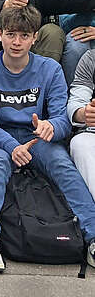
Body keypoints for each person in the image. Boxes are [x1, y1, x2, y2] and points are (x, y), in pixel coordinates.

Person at [0, 6, 95, 272]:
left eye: (24, 36)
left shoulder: (50, 69)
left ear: (35, 37)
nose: (17, 42)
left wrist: (51, 126)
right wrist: (11, 146)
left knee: (61, 164)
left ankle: (93, 235)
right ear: (0, 34)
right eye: (11, 34)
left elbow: (63, 117)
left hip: (35, 138)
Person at [68, 49, 95, 203]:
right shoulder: (91, 58)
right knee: (80, 144)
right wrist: (83, 113)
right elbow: (77, 101)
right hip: (92, 132)